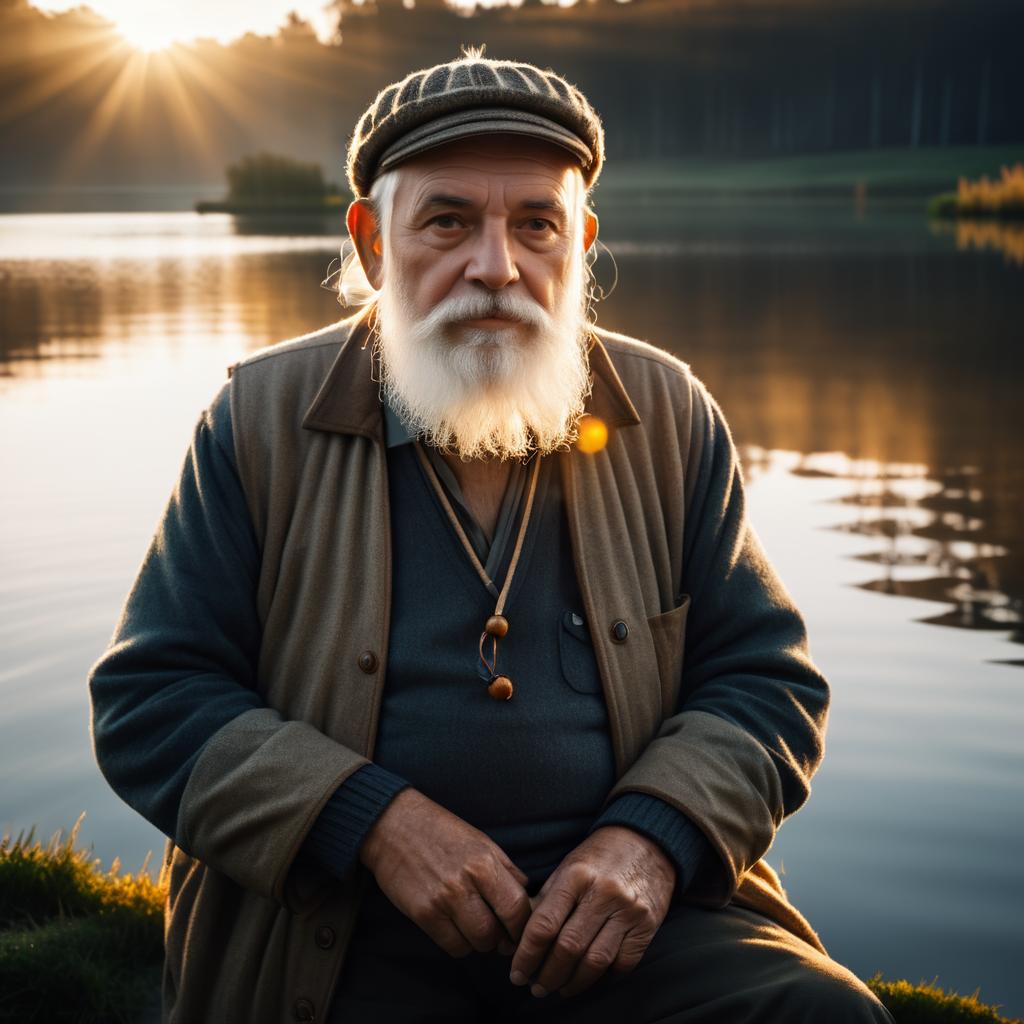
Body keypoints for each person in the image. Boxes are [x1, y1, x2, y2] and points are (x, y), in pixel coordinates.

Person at [89, 51, 895, 1024]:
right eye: (448, 220)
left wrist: (649, 839)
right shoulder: (257, 422)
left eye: (535, 225)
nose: (496, 266)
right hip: (340, 923)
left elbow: (766, 683)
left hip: (628, 916)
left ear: (582, 241)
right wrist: (373, 820)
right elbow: (153, 701)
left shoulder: (670, 412)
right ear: (373, 242)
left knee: (826, 1016)